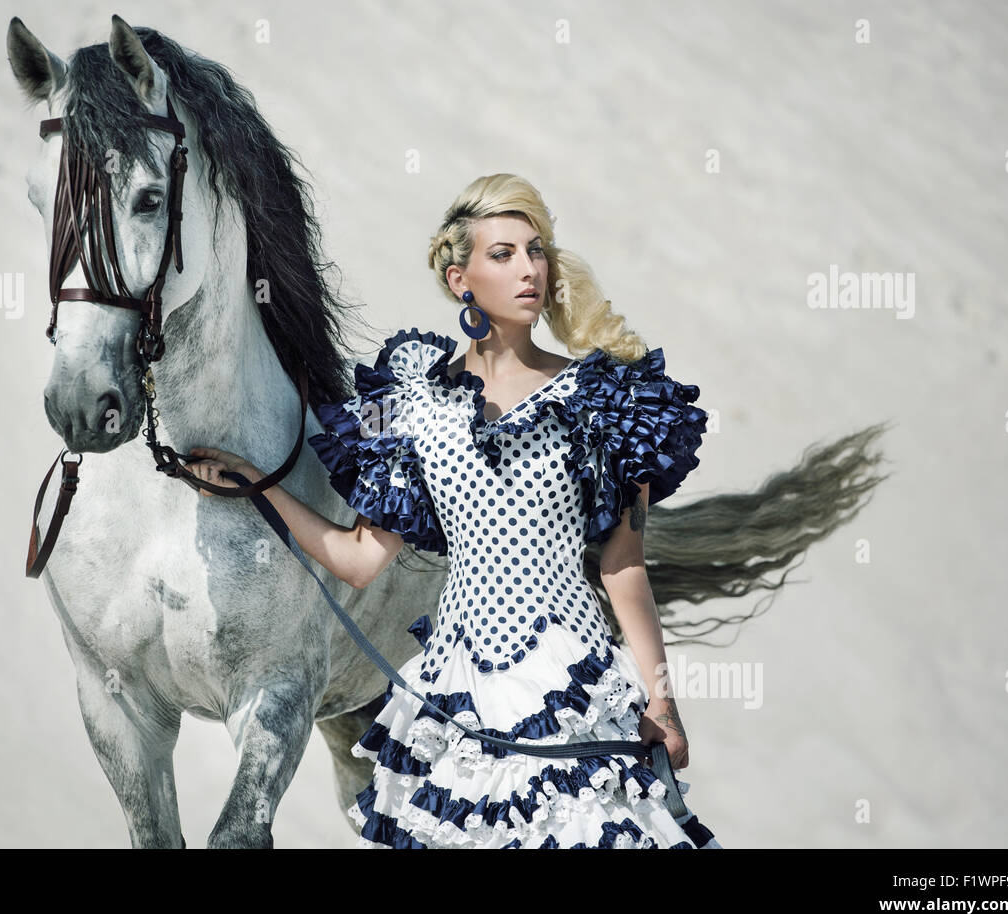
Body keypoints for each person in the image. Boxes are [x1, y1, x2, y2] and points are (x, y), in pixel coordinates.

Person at [188, 173, 719, 849]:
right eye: (504, 253)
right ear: (458, 278)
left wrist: (661, 699)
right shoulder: (409, 404)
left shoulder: (607, 399)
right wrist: (257, 481)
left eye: (536, 250)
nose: (529, 268)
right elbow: (356, 561)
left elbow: (624, 571)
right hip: (453, 698)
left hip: (577, 695)